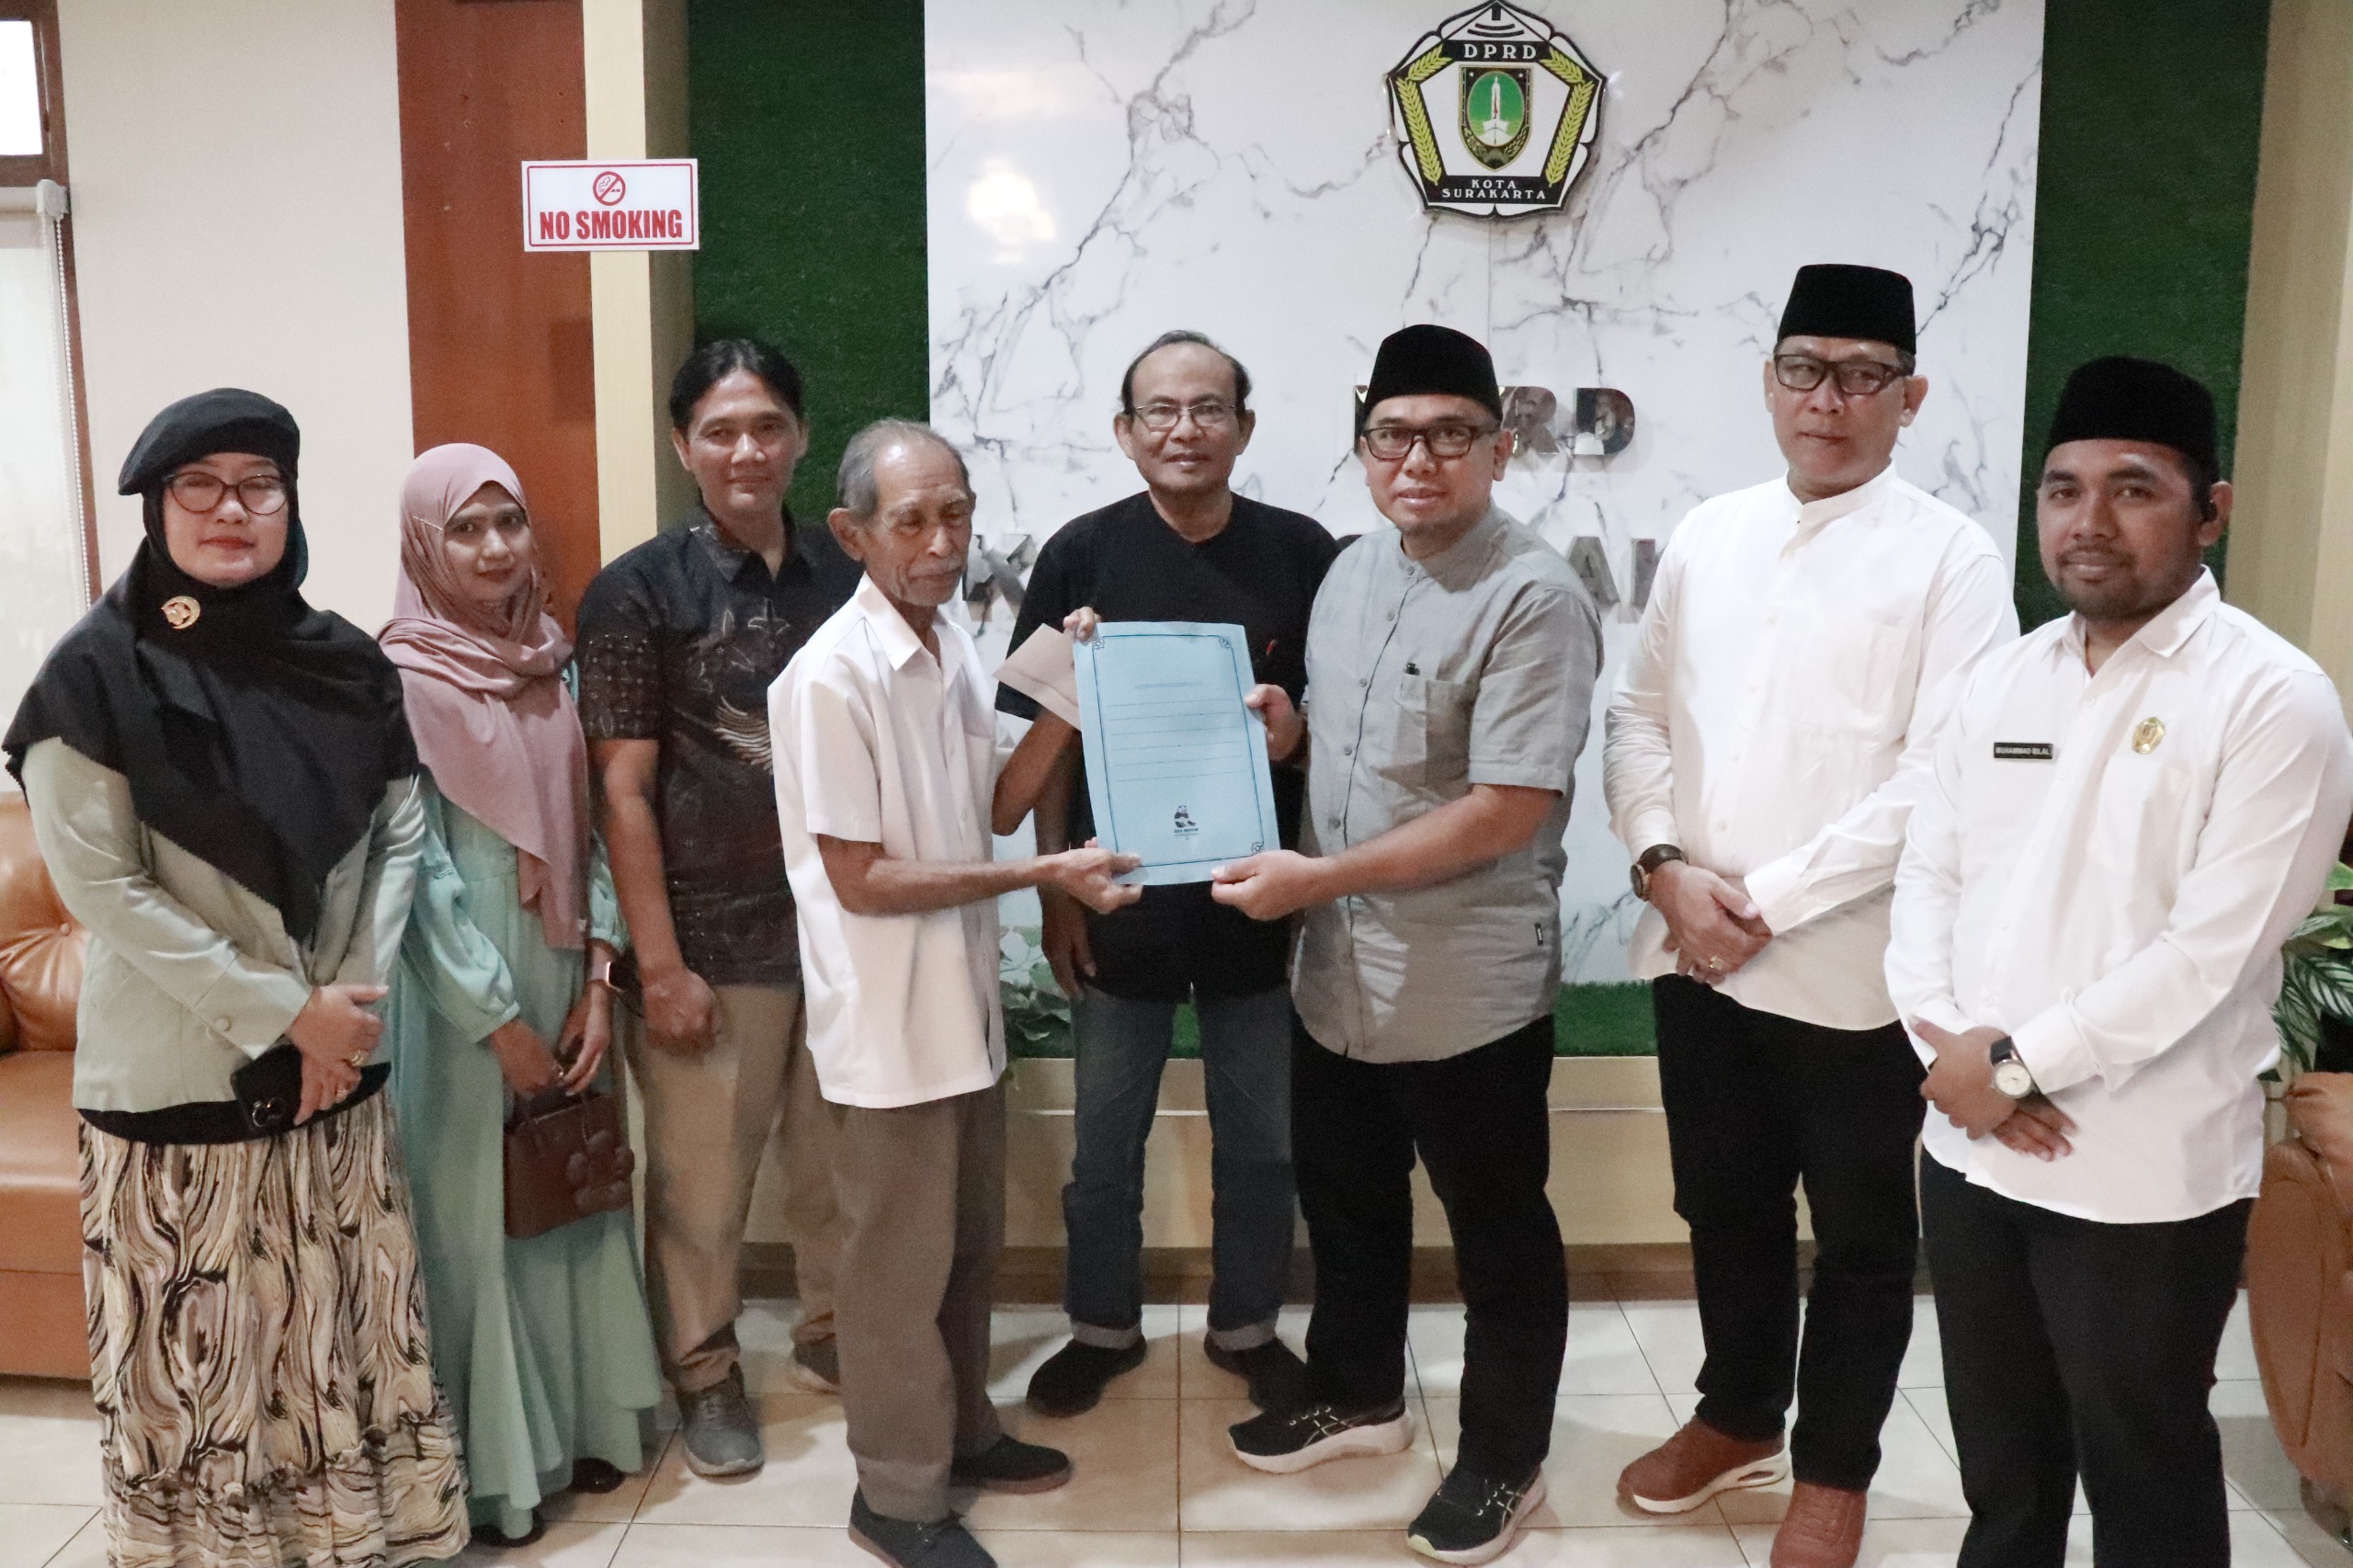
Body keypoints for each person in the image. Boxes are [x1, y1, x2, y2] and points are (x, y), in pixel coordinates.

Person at [1889, 356, 2353, 1567]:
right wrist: (1955, 1050)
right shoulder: (2001, 677)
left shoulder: (2272, 698)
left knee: (2144, 1474)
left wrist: (2019, 1065)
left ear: (2211, 510)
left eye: (2133, 488)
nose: (2088, 520)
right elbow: (1926, 877)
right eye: (2063, 489)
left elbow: (2212, 949)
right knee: (2003, 1473)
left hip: (2139, 1174)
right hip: (1971, 1144)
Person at [1, 389, 465, 1568]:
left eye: (258, 484)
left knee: (338, 1350)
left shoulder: (345, 662)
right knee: (206, 1377)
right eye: (197, 485)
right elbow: (105, 889)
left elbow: (401, 832)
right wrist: (288, 1012)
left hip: (337, 1077)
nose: (230, 509)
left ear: (290, 504)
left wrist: (346, 1007)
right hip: (180, 1087)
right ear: (157, 508)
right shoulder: (92, 677)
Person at [1600, 264, 2017, 1568]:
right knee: (1721, 1204)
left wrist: (1760, 902)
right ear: (1769, 381)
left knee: (1860, 1237)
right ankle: (1736, 1415)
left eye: (1859, 376)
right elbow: (1636, 717)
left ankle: (1835, 1468)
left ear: (1909, 397)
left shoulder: (1952, 558)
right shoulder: (1709, 531)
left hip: (1851, 973)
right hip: (1693, 950)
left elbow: (1940, 774)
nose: (1825, 400)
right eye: (1802, 369)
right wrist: (1664, 866)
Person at [1209, 324, 1603, 1566]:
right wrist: (1286, 732)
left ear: (1499, 447)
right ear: (1363, 445)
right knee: (1348, 1195)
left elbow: (1506, 808)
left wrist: (1317, 878)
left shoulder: (1535, 595)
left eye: (1448, 435)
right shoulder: (1349, 571)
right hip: (1336, 971)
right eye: (1392, 435)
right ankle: (1359, 1390)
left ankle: (1504, 1457)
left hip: (1464, 985)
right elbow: (1349, 740)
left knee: (1498, 1232)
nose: (1417, 460)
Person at [771, 419, 1142, 1568]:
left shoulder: (951, 643)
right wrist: (1044, 874)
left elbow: (996, 803)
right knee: (891, 1274)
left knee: (966, 1249)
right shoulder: (830, 675)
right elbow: (860, 877)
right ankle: (894, 1492)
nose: (941, 542)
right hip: (887, 1027)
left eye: (956, 514)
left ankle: (963, 1432)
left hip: (962, 1013)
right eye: (912, 521)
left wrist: (1070, 688)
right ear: (852, 534)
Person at [995, 330, 1339, 1417]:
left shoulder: (1302, 553)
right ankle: (1100, 1325)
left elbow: (1337, 728)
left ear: (1244, 426)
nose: (1184, 429)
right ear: (1125, 430)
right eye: (1160, 410)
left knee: (1264, 1140)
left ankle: (1247, 1325)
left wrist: (1296, 751)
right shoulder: (1079, 555)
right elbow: (1045, 744)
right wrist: (1056, 891)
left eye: (1207, 408)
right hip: (1118, 900)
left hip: (1257, 901)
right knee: (1104, 1140)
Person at [575, 338, 859, 1474]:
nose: (748, 450)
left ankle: (835, 1332)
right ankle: (703, 1369)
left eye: (768, 426)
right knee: (702, 1186)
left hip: (842, 930)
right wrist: (659, 963)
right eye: (721, 430)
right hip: (707, 939)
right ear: (681, 445)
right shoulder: (637, 590)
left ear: (800, 436)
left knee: (838, 1164)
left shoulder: (846, 570)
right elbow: (622, 791)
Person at [380, 444, 663, 1546]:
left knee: (570, 1191)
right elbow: (412, 872)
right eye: (466, 528)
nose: (496, 548)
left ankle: (586, 1426)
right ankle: (498, 1472)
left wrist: (598, 976)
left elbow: (588, 831)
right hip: (459, 996)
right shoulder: (396, 680)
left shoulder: (553, 662)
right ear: (424, 544)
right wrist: (493, 1019)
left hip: (560, 966)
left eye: (510, 522)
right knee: (477, 1222)